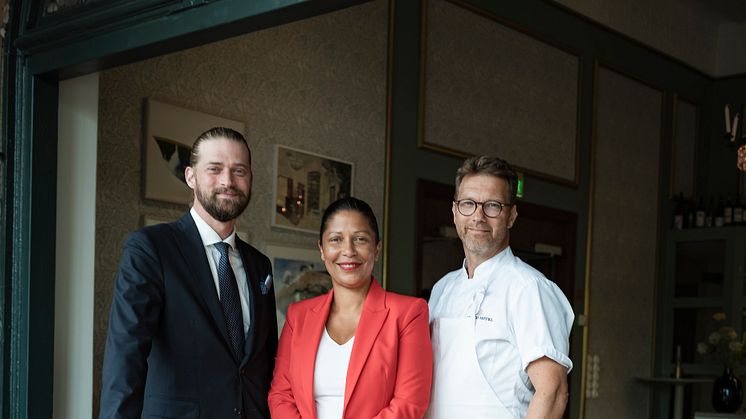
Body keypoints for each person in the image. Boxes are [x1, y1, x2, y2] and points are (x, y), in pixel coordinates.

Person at [99, 127, 278, 419]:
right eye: (214, 169)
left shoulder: (260, 265)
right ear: (190, 177)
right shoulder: (151, 248)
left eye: (239, 170)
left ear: (250, 179)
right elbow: (125, 355)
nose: (227, 181)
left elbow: (265, 364)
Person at [426, 156, 574, 419]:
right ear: (454, 211)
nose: (478, 217)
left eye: (492, 206)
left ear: (511, 216)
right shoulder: (442, 289)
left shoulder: (530, 289)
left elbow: (552, 392)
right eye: (468, 204)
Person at [269, 197, 432, 419]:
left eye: (360, 239)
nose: (348, 250)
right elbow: (281, 395)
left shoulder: (408, 313)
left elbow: (409, 404)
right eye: (336, 239)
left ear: (377, 248)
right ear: (322, 249)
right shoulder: (298, 316)